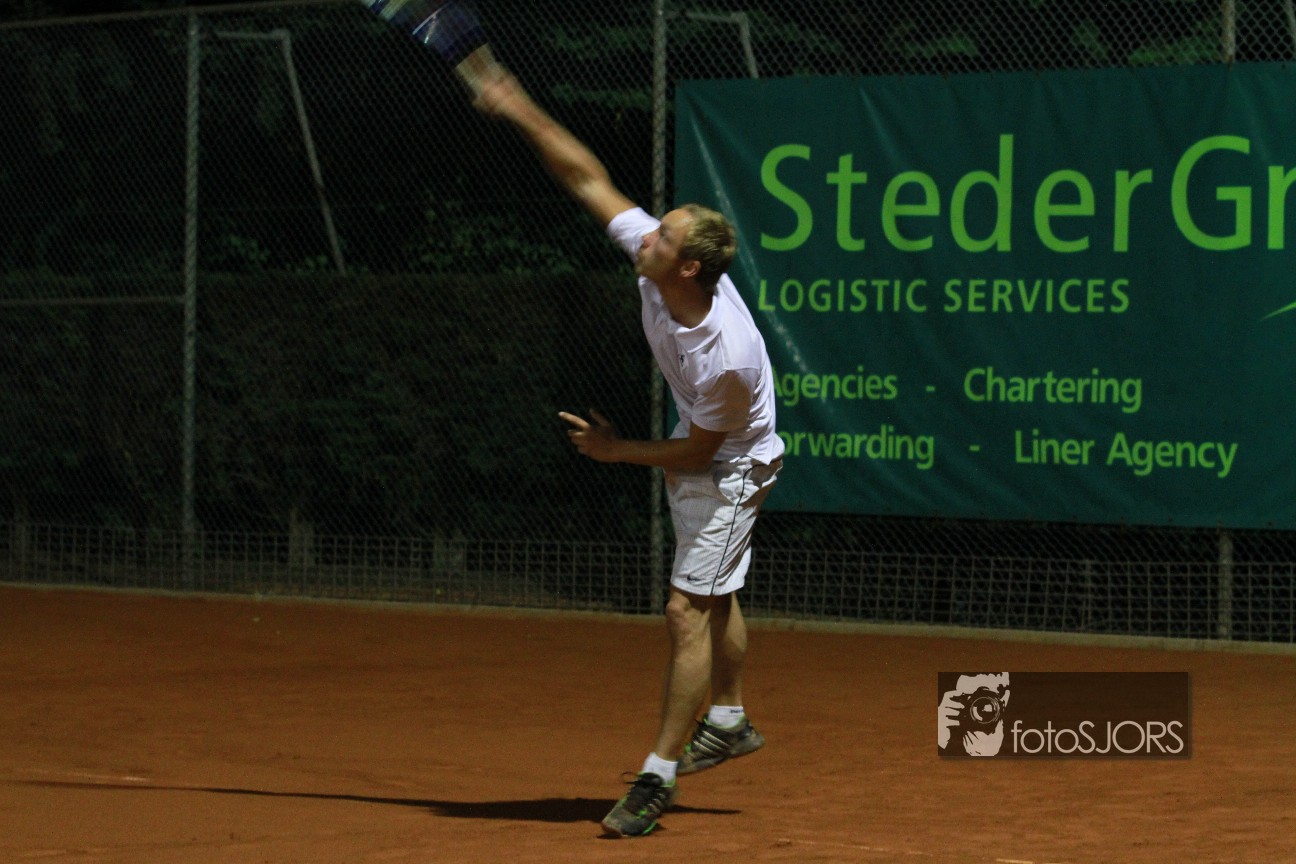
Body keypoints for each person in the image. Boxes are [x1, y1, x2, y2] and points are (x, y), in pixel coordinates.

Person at [474, 68, 785, 838]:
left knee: (686, 611)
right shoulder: (658, 263)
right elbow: (587, 176)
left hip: (734, 466)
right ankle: (729, 719)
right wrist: (518, 106)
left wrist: (614, 453)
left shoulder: (728, 356)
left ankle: (656, 778)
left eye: (663, 236)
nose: (645, 236)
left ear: (687, 267)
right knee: (716, 593)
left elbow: (698, 453)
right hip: (701, 446)